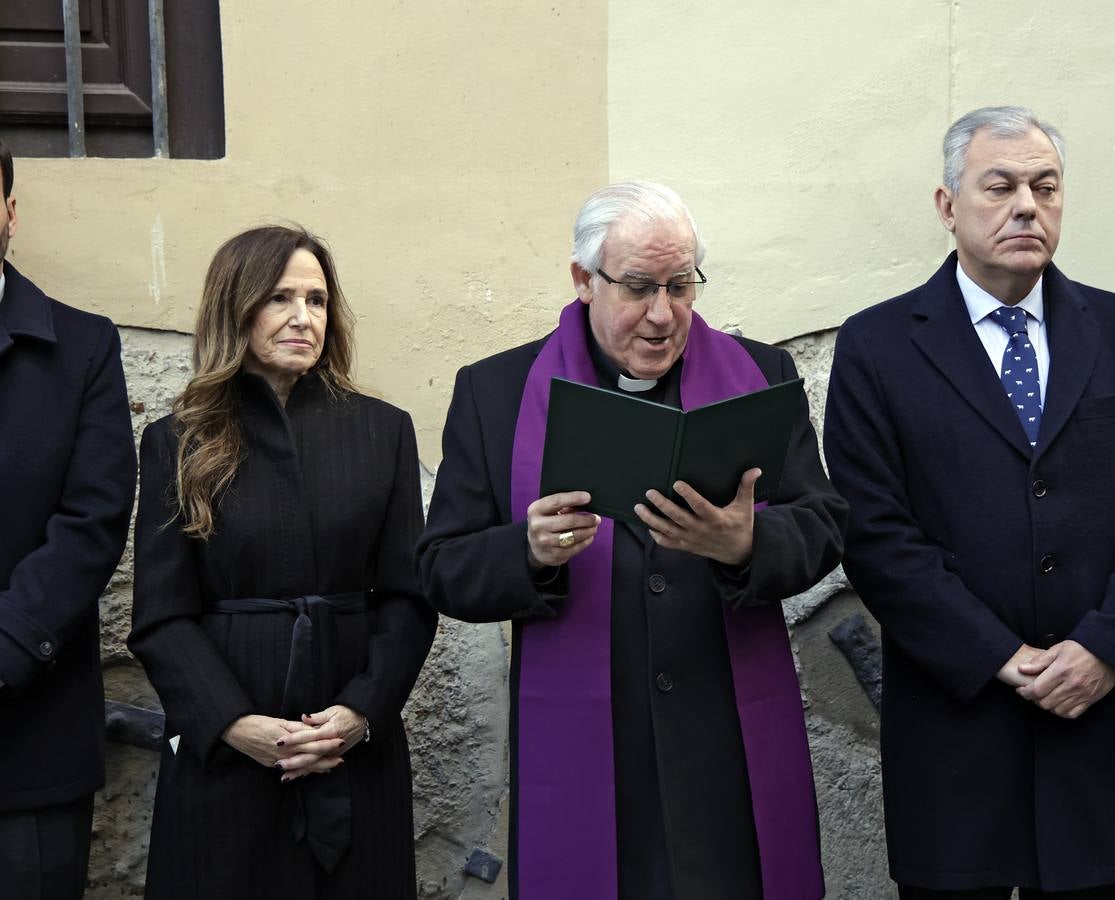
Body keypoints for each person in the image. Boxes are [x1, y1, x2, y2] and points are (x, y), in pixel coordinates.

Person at [417, 181, 846, 900]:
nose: (662, 314)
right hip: (588, 749)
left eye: (681, 286)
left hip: (725, 745)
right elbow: (441, 567)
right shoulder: (495, 392)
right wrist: (527, 552)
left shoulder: (759, 376)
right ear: (583, 280)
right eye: (639, 286)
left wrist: (747, 543)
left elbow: (823, 522)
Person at [823, 106, 1115, 898]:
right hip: (957, 719)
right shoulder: (878, 345)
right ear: (946, 205)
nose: (1025, 205)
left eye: (1044, 186)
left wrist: (1107, 647)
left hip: (1093, 712)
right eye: (998, 186)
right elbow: (874, 528)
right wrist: (996, 655)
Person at [128, 225, 436, 899]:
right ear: (236, 308)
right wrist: (234, 725)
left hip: (352, 747)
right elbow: (161, 616)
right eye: (280, 298)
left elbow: (408, 599)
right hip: (227, 752)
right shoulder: (177, 441)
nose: (304, 317)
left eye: (318, 300)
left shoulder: (383, 431)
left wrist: (360, 714)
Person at [0, 137, 137, 898]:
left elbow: (93, 519)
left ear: (10, 213)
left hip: (28, 739)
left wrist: (6, 645)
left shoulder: (83, 346)